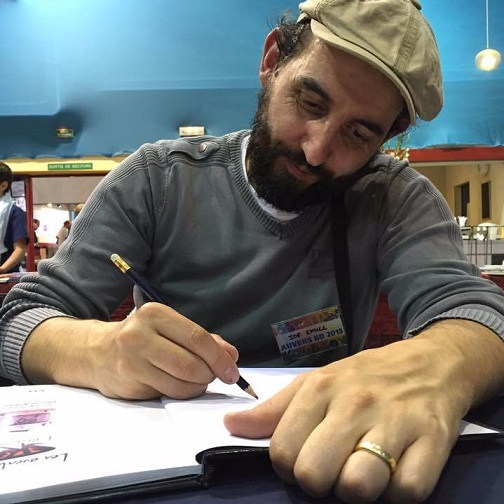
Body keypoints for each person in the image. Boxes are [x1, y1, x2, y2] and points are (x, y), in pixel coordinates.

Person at [1, 1, 504, 502]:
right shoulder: (157, 181)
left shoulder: (393, 198)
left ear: (386, 137)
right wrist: (100, 350)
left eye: (357, 133)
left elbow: (477, 314)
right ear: (272, 61)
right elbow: (20, 318)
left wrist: (435, 365)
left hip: (323, 464)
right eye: (311, 102)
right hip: (162, 474)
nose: (316, 150)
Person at [0, 162, 29, 274]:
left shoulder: (15, 212)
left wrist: (2, 269)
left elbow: (20, 249)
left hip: (5, 277)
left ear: (3, 185)